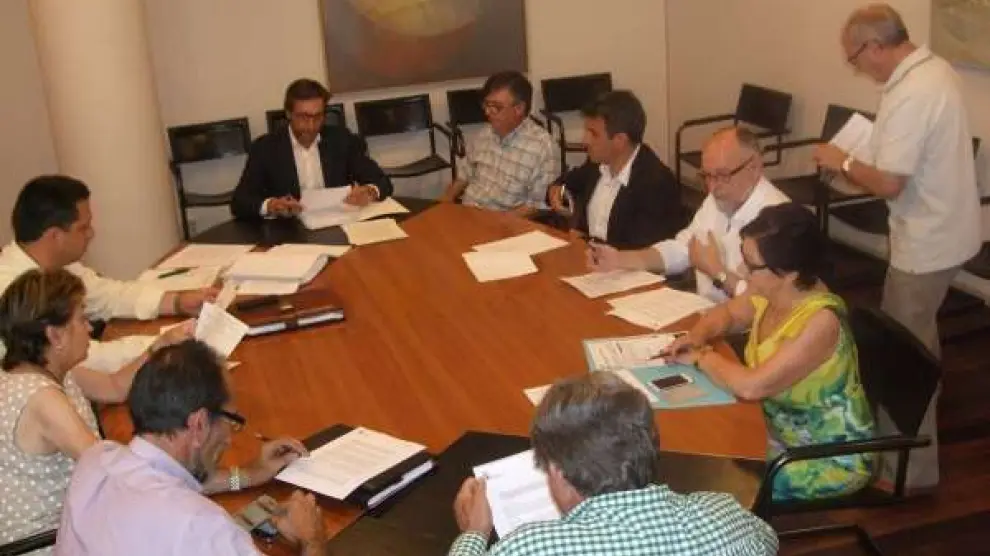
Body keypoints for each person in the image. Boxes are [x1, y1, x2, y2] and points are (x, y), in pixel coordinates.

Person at [812, 3, 979, 492]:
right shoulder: (933, 70)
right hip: (947, 231)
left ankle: (910, 475)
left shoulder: (912, 92)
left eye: (854, 58)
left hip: (926, 242)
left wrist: (843, 162)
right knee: (918, 339)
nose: (858, 68)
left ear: (874, 46)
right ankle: (921, 420)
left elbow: (888, 181)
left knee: (903, 355)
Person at [667, 203, 876, 502]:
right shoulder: (769, 289)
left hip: (826, 458)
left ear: (788, 274)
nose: (743, 271)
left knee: (711, 484)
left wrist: (702, 357)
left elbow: (752, 387)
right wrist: (697, 335)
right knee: (695, 446)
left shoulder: (820, 323)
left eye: (751, 265)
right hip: (774, 430)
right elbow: (728, 314)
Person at [447, 373, 778, 556]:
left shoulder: (529, 548)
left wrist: (474, 534)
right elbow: (768, 541)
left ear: (559, 473)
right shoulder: (725, 514)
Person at [56, 340, 327, 555]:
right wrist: (311, 540)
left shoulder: (97, 459)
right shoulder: (201, 527)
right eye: (230, 421)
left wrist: (250, 474)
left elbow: (170, 485)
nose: (229, 439)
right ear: (198, 424)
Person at [0, 269, 190, 552]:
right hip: (51, 543)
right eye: (81, 319)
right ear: (55, 335)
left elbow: (114, 387)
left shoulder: (42, 373)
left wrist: (161, 346)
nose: (89, 328)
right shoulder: (42, 399)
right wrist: (232, 477)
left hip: (78, 524)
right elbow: (114, 473)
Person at [0, 175, 212, 372]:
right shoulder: (13, 294)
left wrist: (176, 302)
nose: (91, 234)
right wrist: (164, 343)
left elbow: (108, 296)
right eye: (83, 228)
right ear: (55, 236)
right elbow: (86, 358)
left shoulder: (57, 265)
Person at [588, 126, 790, 303]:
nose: (712, 188)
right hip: (705, 311)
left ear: (754, 168)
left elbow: (768, 305)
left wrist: (717, 271)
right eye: (707, 176)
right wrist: (620, 259)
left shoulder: (779, 219)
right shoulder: (720, 198)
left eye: (722, 175)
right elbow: (682, 249)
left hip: (744, 330)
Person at [230, 78, 393, 220]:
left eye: (318, 116)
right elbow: (240, 202)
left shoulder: (342, 140)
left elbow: (383, 182)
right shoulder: (265, 147)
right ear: (288, 114)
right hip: (290, 229)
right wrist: (271, 205)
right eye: (303, 117)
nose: (311, 125)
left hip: (338, 221)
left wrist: (370, 192)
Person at [545, 90, 684, 249]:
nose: (584, 140)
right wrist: (557, 189)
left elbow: (640, 250)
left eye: (593, 134)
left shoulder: (657, 184)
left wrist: (584, 240)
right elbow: (566, 182)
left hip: (623, 263)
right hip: (587, 257)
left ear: (620, 140)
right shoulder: (597, 165)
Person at [440, 71, 558, 216]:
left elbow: (536, 206)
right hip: (469, 213)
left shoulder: (543, 146)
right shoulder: (484, 134)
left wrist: (495, 223)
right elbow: (464, 175)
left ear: (519, 108)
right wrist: (444, 202)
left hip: (504, 222)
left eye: (496, 107)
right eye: (486, 104)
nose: (487, 112)